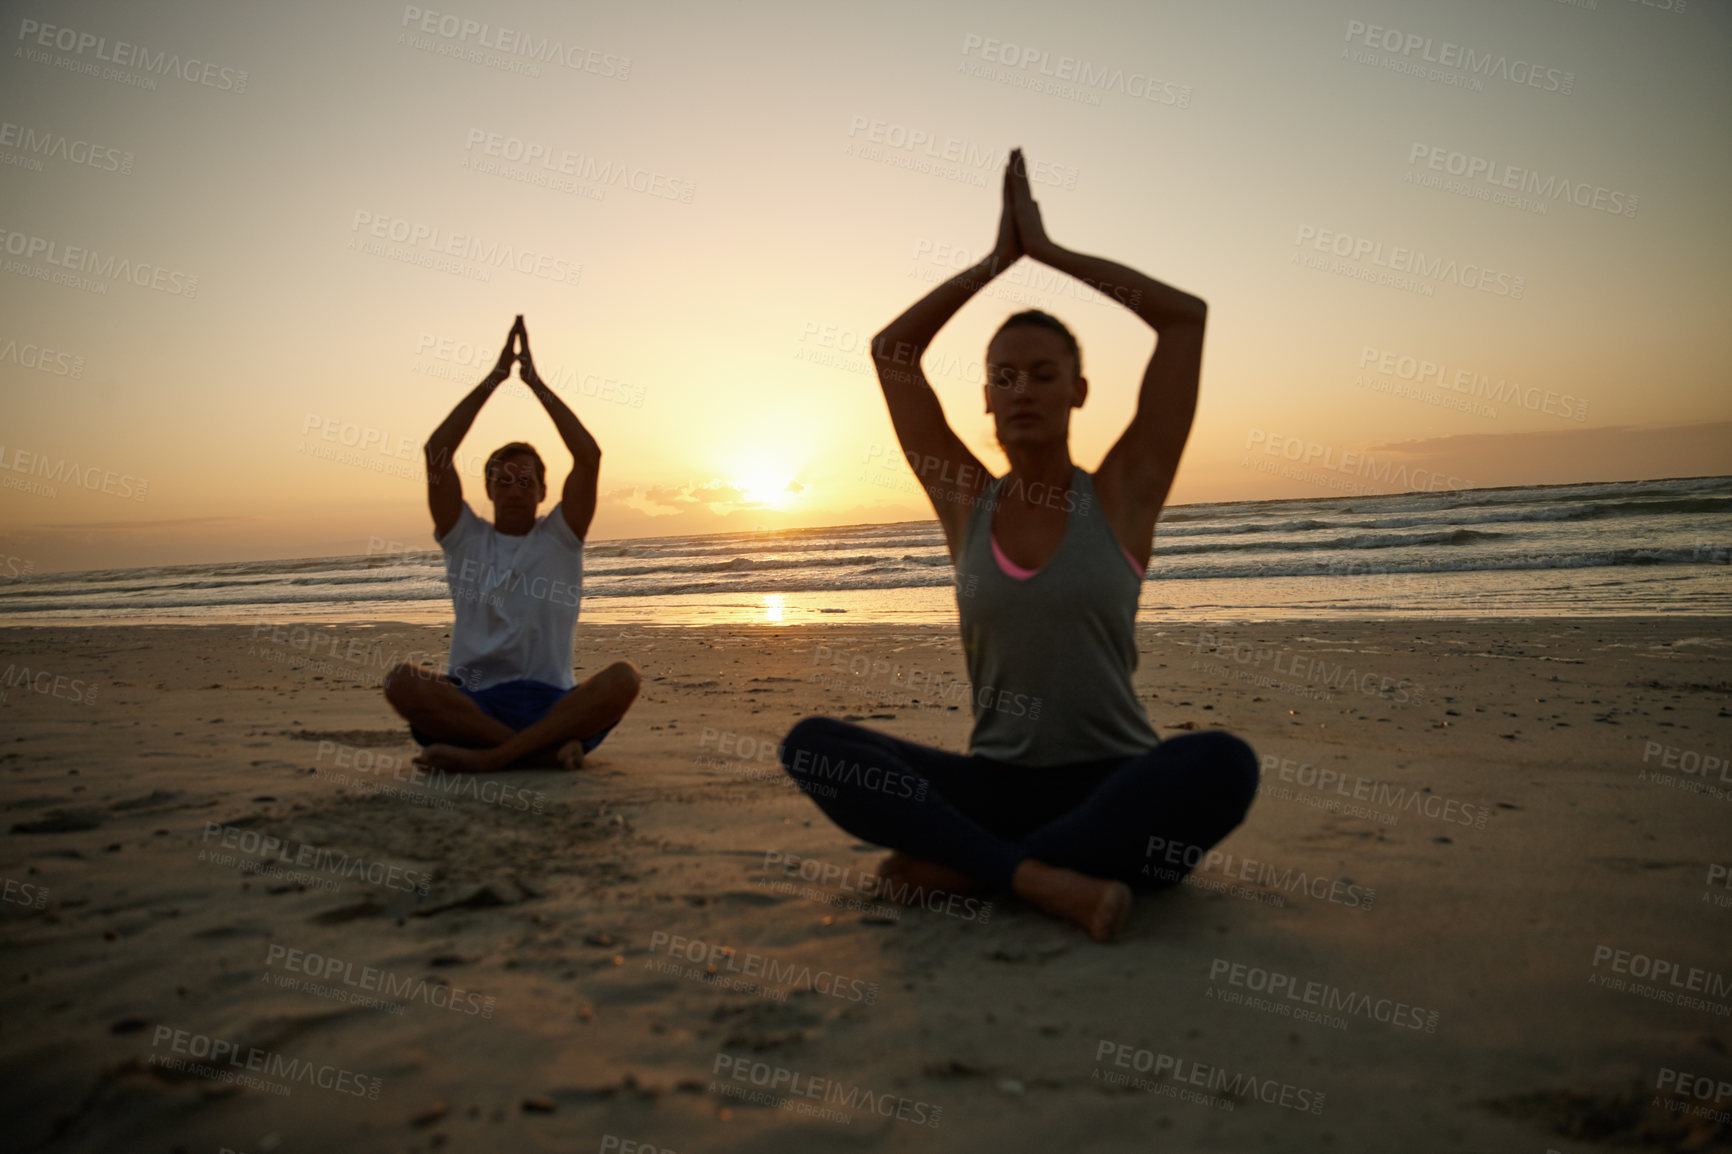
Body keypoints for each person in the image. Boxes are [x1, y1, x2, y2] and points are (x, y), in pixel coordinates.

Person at [778, 151, 1259, 941]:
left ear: (1078, 391)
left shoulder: (1123, 492)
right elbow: (892, 352)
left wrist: (1051, 254)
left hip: (1121, 786)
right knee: (815, 746)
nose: (1023, 390)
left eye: (1043, 374)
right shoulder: (965, 499)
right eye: (1004, 378)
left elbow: (1185, 319)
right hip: (997, 785)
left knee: (1222, 763)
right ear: (987, 402)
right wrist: (993, 266)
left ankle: (972, 868)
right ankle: (1040, 879)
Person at [384, 316, 639, 772]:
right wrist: (496, 379)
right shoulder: (465, 537)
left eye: (526, 481)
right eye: (503, 480)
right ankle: (536, 753)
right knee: (402, 682)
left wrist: (536, 384)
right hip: (474, 704)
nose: (514, 488)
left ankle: (495, 757)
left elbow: (588, 455)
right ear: (489, 490)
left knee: (624, 678)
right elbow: (436, 451)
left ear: (544, 491)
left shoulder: (561, 536)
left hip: (554, 706)